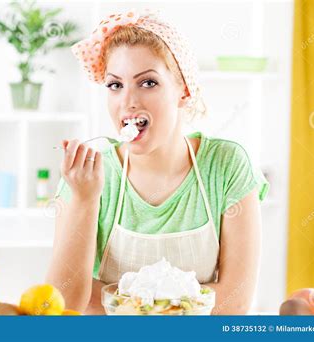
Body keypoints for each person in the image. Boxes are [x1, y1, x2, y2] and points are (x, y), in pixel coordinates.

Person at [46, 9, 269, 315]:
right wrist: (84, 200)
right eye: (115, 85)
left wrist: (129, 307)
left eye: (147, 83)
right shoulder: (89, 174)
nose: (128, 101)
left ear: (184, 90)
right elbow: (64, 304)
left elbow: (235, 301)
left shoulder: (227, 165)